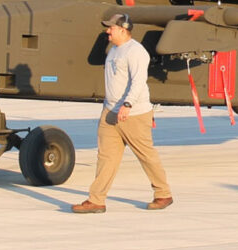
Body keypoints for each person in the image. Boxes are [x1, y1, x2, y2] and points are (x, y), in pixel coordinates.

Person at [72, 13, 173, 213]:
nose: (107, 31)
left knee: (145, 154)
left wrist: (127, 104)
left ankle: (163, 194)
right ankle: (96, 200)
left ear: (122, 29)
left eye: (110, 27)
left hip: (133, 114)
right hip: (110, 112)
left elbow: (138, 81)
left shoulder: (136, 51)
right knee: (106, 157)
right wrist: (108, 107)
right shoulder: (115, 51)